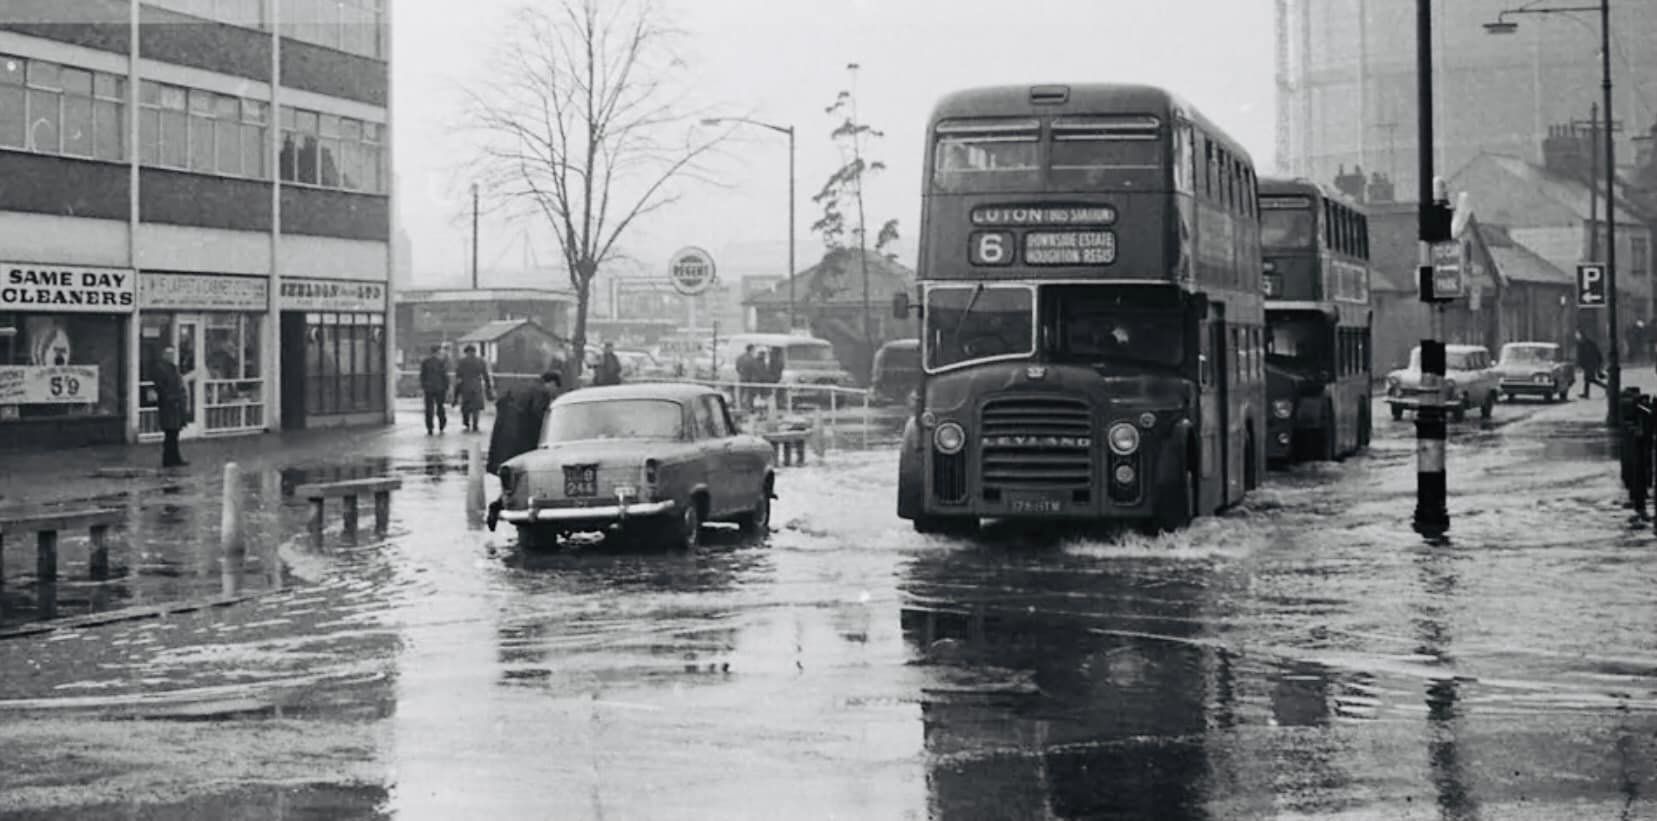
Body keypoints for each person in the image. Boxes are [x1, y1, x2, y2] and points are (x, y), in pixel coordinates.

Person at [486, 370, 564, 531]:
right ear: (551, 383)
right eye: (556, 389)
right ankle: (501, 504)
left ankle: (501, 503)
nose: (554, 394)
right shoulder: (541, 393)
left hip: (503, 436)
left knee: (510, 476)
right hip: (520, 440)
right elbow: (539, 418)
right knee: (524, 477)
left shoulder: (522, 388)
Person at [154, 346, 189, 468]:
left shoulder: (173, 368)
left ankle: (175, 458)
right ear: (164, 355)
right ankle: (168, 459)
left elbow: (178, 382)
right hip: (168, 406)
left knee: (175, 432)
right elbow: (160, 387)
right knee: (170, 433)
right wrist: (170, 398)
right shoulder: (161, 368)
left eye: (173, 354)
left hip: (176, 405)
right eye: (169, 354)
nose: (172, 357)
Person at [453, 344, 493, 432]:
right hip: (477, 386)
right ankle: (475, 424)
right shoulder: (480, 361)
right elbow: (485, 375)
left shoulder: (462, 361)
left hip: (465, 386)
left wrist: (456, 392)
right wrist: (488, 388)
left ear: (466, 352)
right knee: (476, 407)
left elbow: (458, 375)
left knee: (466, 405)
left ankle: (466, 422)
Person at [418, 344, 450, 435]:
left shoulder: (425, 362)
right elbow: (445, 375)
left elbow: (422, 375)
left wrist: (423, 385)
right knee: (440, 407)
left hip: (428, 388)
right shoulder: (441, 362)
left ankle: (430, 427)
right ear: (438, 352)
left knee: (429, 408)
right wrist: (447, 386)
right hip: (440, 388)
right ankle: (442, 425)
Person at [1576, 329, 1605, 399]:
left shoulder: (1588, 344)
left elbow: (1594, 354)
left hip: (1591, 364)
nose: (1578, 337)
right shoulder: (1584, 344)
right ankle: (1586, 393)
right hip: (1589, 365)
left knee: (1590, 379)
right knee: (1589, 379)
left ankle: (1607, 388)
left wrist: (1599, 362)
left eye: (1578, 336)